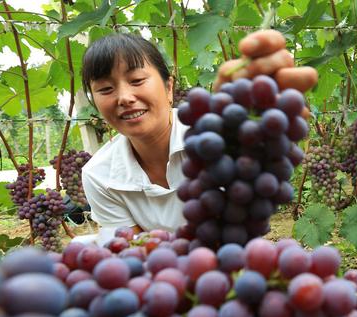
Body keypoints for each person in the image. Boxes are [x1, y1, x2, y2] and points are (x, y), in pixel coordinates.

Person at [80, 30, 317, 235]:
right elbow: (134, 255)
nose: (124, 98)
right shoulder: (98, 175)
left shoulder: (215, 135)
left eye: (137, 80)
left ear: (169, 87)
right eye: (106, 89)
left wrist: (249, 139)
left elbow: (248, 208)